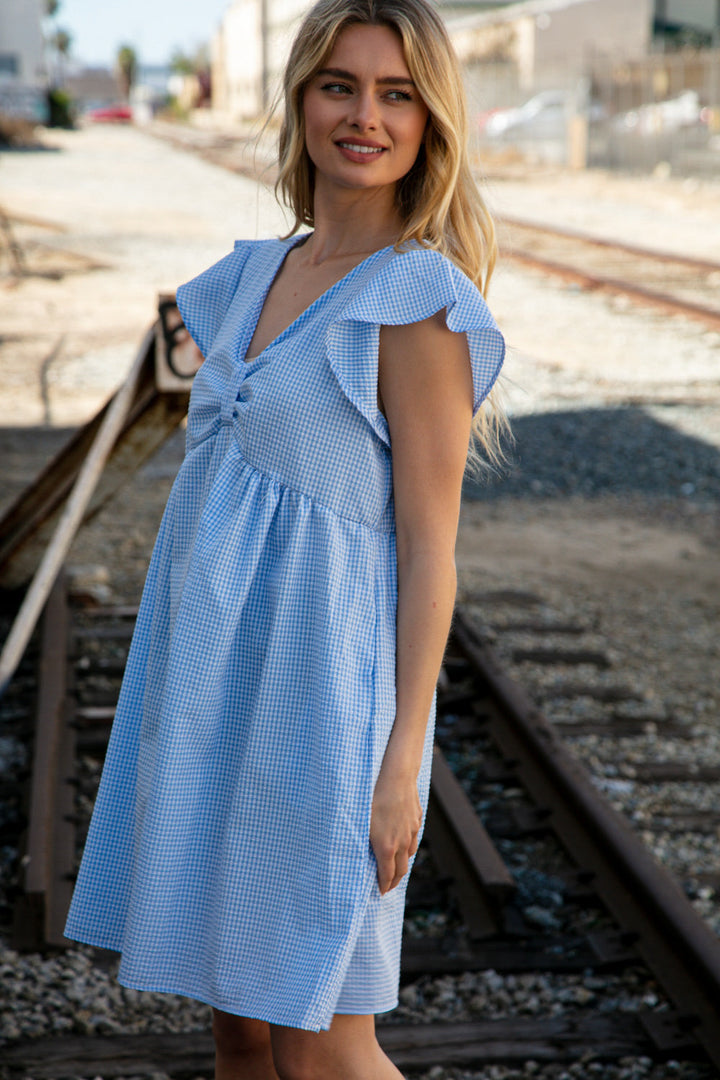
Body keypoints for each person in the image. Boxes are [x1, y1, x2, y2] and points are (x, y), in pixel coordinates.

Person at [64, 0, 506, 1075]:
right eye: (340, 86)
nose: (366, 115)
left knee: (321, 1043)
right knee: (236, 1029)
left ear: (429, 121)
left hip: (320, 708)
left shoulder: (417, 305)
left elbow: (429, 553)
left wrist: (400, 764)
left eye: (397, 94)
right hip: (209, 691)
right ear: (303, 97)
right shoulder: (250, 278)